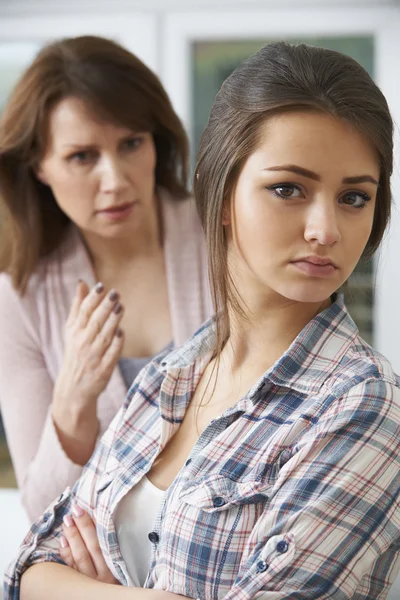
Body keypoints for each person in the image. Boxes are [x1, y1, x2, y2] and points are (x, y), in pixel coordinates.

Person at [5, 41, 400, 600]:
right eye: (288, 189)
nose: (325, 230)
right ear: (220, 196)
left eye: (354, 197)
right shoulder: (174, 372)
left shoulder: (362, 405)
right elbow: (25, 567)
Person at [0, 35, 212, 521]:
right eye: (82, 157)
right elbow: (41, 509)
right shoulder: (19, 297)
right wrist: (74, 397)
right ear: (39, 167)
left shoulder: (221, 236)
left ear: (156, 143)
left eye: (131, 143)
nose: (114, 179)